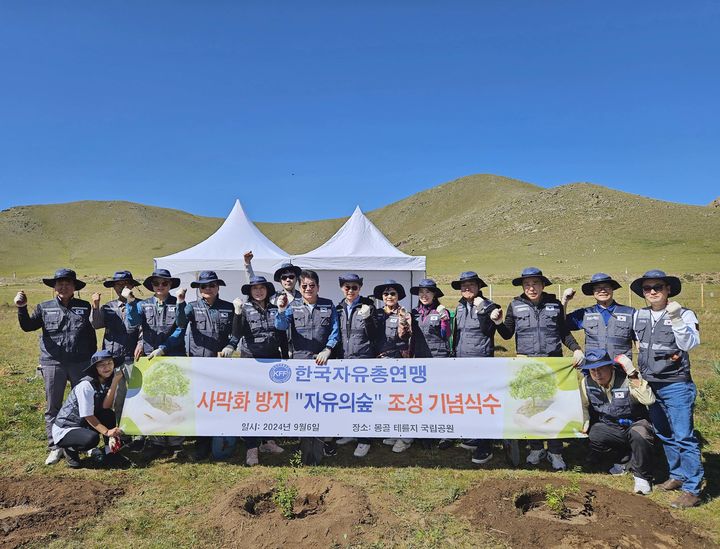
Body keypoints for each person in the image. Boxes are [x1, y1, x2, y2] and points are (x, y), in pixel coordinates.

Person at [494, 267, 585, 470]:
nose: (531, 288)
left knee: (554, 407)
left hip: (553, 365)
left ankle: (555, 451)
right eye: (527, 284)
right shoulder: (515, 305)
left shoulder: (554, 304)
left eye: (535, 283)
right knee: (531, 406)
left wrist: (577, 349)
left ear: (543, 285)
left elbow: (563, 332)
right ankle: (536, 448)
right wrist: (499, 322)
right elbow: (507, 334)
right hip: (528, 366)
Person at [630, 269, 703, 508]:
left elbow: (689, 343)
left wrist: (677, 318)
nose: (652, 292)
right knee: (665, 433)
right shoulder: (639, 316)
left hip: (676, 384)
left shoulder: (684, 313)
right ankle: (678, 475)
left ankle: (693, 488)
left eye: (658, 287)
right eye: (647, 288)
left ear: (668, 289)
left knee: (684, 436)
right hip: (652, 384)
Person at [15, 268, 97, 465]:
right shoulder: (44, 307)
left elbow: (90, 336)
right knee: (53, 406)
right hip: (53, 363)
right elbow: (27, 326)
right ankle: (55, 446)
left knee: (85, 403)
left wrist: (91, 360)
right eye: (59, 283)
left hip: (80, 363)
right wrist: (22, 307)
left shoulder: (84, 307)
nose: (64, 286)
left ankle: (88, 444)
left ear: (75, 287)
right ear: (54, 287)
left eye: (68, 283)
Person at [275, 269, 340, 462]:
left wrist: (328, 349)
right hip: (300, 363)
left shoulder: (328, 305)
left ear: (318, 287)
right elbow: (280, 326)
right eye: (304, 286)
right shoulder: (291, 305)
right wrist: (280, 311)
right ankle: (304, 448)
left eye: (312, 285)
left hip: (323, 363)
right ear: (300, 287)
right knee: (303, 405)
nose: (308, 289)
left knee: (320, 405)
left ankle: (319, 449)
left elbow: (335, 330)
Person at [175, 270, 239, 461]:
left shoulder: (229, 308)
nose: (208, 289)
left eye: (212, 285)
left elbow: (236, 333)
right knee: (201, 405)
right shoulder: (191, 307)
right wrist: (179, 302)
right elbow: (180, 323)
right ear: (200, 289)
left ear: (218, 287)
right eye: (204, 286)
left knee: (219, 403)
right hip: (198, 365)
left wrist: (230, 345)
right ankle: (201, 443)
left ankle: (220, 439)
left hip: (221, 366)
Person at [451, 271, 512, 465]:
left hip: (481, 363)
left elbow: (488, 330)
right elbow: (457, 334)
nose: (466, 288)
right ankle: (475, 436)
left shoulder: (490, 306)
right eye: (463, 285)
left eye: (470, 285)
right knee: (469, 402)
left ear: (478, 287)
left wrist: (484, 311)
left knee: (483, 405)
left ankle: (486, 445)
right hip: (462, 363)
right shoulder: (460, 307)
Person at [125, 268, 186, 459]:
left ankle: (176, 442)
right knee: (152, 399)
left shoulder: (178, 303)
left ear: (170, 285)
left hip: (173, 356)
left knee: (175, 399)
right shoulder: (143, 305)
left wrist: (165, 348)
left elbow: (180, 329)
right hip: (150, 358)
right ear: (152, 286)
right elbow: (133, 322)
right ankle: (156, 441)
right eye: (156, 283)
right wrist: (130, 302)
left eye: (164, 283)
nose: (160, 287)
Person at [580, 350, 656, 495]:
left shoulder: (627, 380)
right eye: (593, 370)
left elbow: (649, 400)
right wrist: (585, 424)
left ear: (610, 367)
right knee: (595, 432)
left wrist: (632, 373)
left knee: (639, 434)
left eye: (601, 368)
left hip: (635, 424)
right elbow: (583, 405)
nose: (597, 374)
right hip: (612, 427)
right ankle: (625, 458)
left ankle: (642, 477)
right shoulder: (586, 383)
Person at [232, 275, 289, 465]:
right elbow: (237, 333)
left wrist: (285, 359)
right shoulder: (244, 309)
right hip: (251, 361)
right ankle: (251, 447)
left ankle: (268, 441)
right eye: (254, 288)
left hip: (273, 361)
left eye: (261, 288)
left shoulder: (275, 309)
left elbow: (281, 336)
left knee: (271, 403)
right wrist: (238, 313)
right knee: (251, 405)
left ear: (267, 290)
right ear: (249, 291)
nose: (258, 291)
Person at [52, 350, 126, 468]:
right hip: (67, 428)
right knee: (91, 439)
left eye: (109, 363)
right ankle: (70, 449)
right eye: (102, 365)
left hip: (84, 423)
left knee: (108, 414)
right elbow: (88, 415)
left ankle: (110, 451)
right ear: (95, 368)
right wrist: (107, 432)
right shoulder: (86, 385)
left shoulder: (106, 380)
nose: (107, 367)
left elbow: (105, 407)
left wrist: (114, 382)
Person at [333, 274, 379, 458]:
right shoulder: (338, 308)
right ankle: (351, 431)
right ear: (341, 288)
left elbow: (375, 334)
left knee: (363, 401)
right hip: (344, 359)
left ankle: (364, 439)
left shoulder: (369, 306)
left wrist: (367, 318)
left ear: (360, 288)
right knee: (348, 399)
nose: (350, 290)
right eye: (347, 287)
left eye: (354, 287)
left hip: (363, 359)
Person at [90, 270, 142, 425]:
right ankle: (121, 432)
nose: (122, 287)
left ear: (132, 286)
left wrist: (140, 344)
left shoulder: (141, 305)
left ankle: (139, 435)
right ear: (113, 288)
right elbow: (96, 324)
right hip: (113, 360)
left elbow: (144, 330)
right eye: (118, 285)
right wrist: (96, 306)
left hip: (135, 359)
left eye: (126, 284)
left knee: (137, 396)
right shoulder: (107, 307)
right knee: (118, 398)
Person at [409, 278, 451, 450]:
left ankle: (443, 434)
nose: (424, 295)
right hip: (419, 358)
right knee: (422, 398)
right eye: (421, 293)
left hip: (438, 359)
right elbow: (411, 337)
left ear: (434, 294)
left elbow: (446, 334)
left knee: (439, 398)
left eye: (428, 292)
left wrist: (445, 320)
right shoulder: (414, 313)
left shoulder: (441, 311)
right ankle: (424, 432)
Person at [372, 280, 413, 453]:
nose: (389, 297)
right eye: (386, 294)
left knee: (401, 398)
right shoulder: (377, 313)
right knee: (388, 400)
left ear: (398, 297)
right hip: (380, 359)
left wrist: (403, 322)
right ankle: (395, 431)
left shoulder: (404, 313)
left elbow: (407, 336)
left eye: (393, 294)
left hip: (398, 360)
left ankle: (407, 437)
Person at [562, 273, 636, 359]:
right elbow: (560, 323)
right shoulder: (585, 313)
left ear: (612, 289)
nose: (603, 290)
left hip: (621, 369)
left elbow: (638, 341)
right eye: (598, 288)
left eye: (607, 287)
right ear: (593, 292)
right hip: (593, 369)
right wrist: (565, 300)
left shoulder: (630, 313)